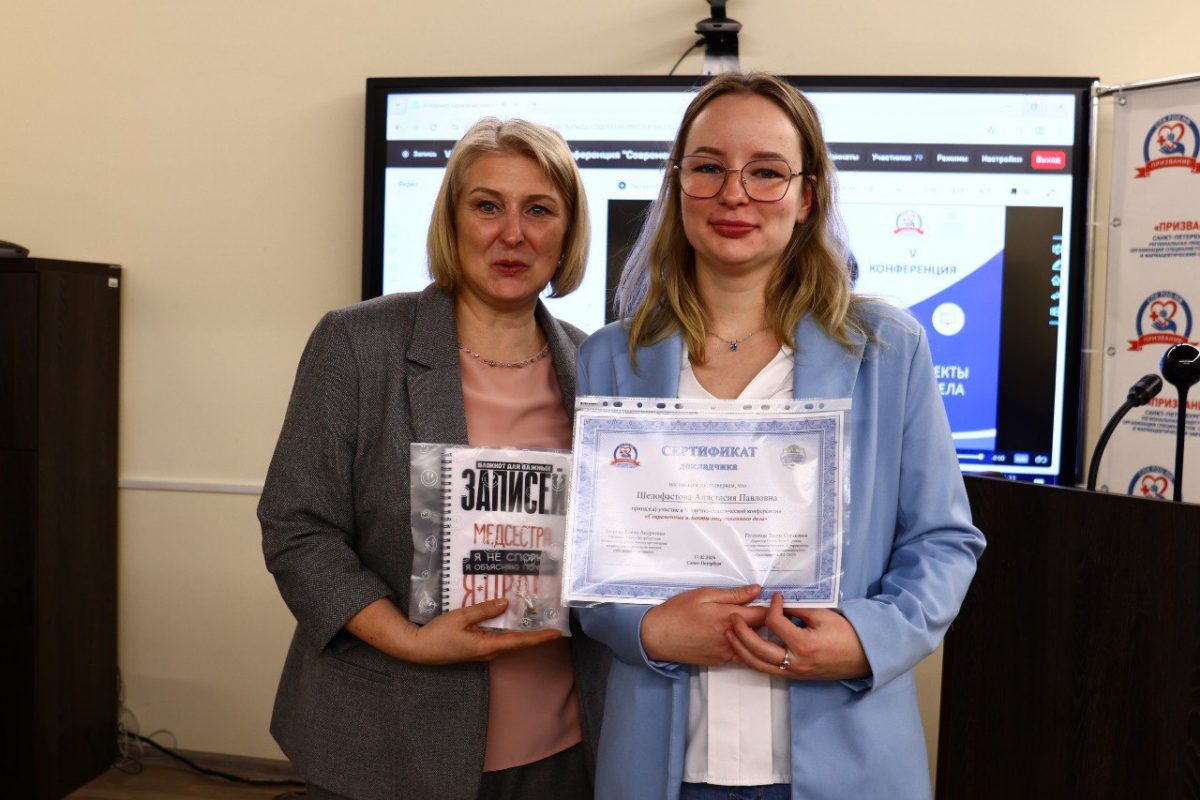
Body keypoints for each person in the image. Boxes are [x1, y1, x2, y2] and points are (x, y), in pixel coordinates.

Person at [575, 72, 986, 800]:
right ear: (677, 187)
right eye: (708, 167)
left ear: (807, 197)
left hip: (846, 760)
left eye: (766, 172)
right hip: (663, 767)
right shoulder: (612, 356)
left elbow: (943, 542)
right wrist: (646, 631)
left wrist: (866, 639)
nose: (734, 194)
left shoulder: (888, 348)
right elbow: (588, 560)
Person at [259, 117, 607, 800]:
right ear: (452, 222)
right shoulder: (359, 343)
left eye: (539, 210)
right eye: (487, 206)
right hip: (388, 738)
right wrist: (409, 640)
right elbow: (297, 529)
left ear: (568, 233)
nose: (513, 233)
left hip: (562, 744)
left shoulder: (593, 364)